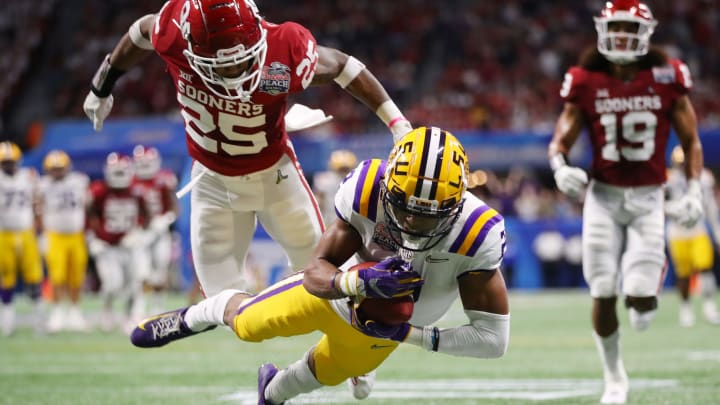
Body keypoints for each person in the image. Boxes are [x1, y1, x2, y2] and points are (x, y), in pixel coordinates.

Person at [129, 127, 510, 405]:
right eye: (403, 206)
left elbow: (493, 341)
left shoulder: (477, 234)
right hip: (338, 296)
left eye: (427, 216)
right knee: (248, 326)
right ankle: (195, 316)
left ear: (457, 204)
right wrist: (354, 285)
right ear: (388, 184)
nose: (411, 222)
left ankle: (272, 392)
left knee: (324, 373)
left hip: (388, 326)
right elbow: (316, 271)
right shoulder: (365, 189)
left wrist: (407, 334)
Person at [82, 0, 414, 299]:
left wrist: (399, 125)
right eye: (221, 66)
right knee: (222, 300)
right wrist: (101, 86)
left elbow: (343, 66)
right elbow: (141, 32)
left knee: (325, 277)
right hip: (212, 181)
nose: (233, 74)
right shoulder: (173, 33)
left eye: (241, 62)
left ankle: (352, 363)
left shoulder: (281, 50)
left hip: (276, 177)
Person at [547, 1, 705, 403]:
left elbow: (691, 141)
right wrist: (558, 164)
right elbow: (562, 134)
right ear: (603, 30)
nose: (620, 36)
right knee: (601, 288)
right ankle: (614, 376)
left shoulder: (668, 76)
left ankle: (645, 287)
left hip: (650, 196)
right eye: (613, 27)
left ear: (645, 33)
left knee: (640, 299)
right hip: (602, 197)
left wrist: (693, 190)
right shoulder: (585, 79)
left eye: (627, 28)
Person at [86, 152, 150, 333]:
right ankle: (107, 312)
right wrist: (92, 239)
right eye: (117, 172)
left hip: (129, 246)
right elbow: (89, 215)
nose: (120, 177)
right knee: (112, 284)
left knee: (134, 283)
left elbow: (146, 215)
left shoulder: (137, 191)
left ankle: (128, 317)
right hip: (107, 246)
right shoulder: (98, 191)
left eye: (123, 172)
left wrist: (139, 232)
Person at [37, 150, 91, 332]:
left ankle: (75, 312)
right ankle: (57, 311)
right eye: (54, 169)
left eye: (60, 168)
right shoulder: (42, 185)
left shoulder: (79, 181)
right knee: (57, 276)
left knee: (76, 276)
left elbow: (88, 205)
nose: (57, 172)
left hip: (76, 235)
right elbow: (36, 208)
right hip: (55, 236)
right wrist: (40, 233)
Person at [665, 145, 720, 327]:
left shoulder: (704, 177)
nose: (681, 167)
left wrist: (717, 229)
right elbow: (659, 205)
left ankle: (709, 306)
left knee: (705, 268)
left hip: (698, 229)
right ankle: (686, 308)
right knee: (683, 274)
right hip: (677, 232)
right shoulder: (669, 179)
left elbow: (710, 206)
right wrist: (673, 209)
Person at [0, 141, 44, 336]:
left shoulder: (29, 176)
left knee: (34, 276)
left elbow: (38, 201)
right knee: (6, 277)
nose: (8, 165)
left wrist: (39, 223)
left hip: (26, 233)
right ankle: (7, 321)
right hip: (4, 234)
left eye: (11, 161)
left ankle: (39, 320)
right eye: (4, 162)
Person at [130, 145, 179, 315]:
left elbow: (174, 207)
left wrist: (166, 220)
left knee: (160, 271)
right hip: (140, 233)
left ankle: (158, 307)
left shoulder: (164, 179)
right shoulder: (130, 181)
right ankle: (139, 308)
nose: (143, 166)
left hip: (160, 233)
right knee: (142, 273)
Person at [313, 149, 358, 225]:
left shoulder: (357, 180)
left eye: (346, 169)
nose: (343, 173)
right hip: (330, 221)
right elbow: (318, 203)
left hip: (351, 222)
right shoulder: (323, 181)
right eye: (341, 169)